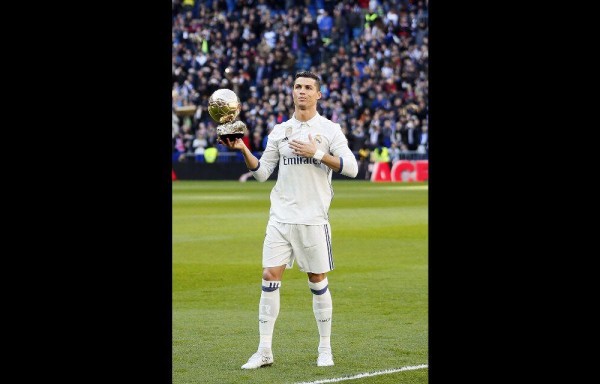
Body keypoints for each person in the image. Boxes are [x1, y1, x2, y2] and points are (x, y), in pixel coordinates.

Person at [218, 71, 358, 369]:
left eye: (308, 87)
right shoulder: (280, 131)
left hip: (312, 218)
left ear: (318, 94)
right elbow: (261, 173)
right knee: (269, 276)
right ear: (291, 92)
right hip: (280, 217)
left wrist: (317, 152)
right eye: (297, 87)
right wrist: (242, 148)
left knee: (317, 280)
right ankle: (265, 351)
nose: (302, 92)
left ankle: (324, 348)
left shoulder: (330, 130)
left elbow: (353, 168)